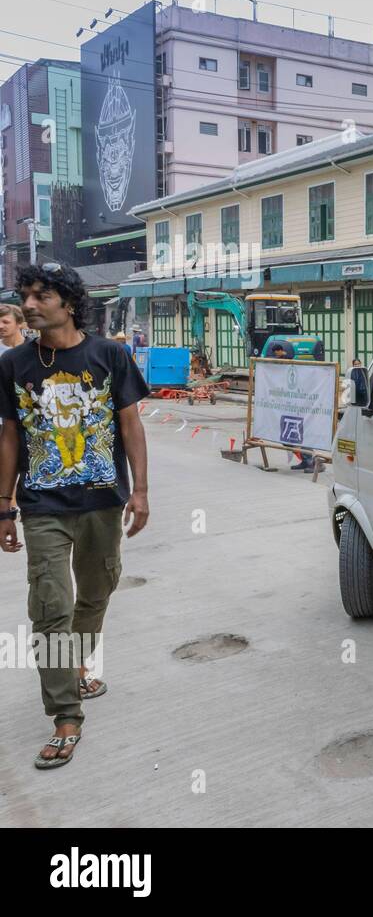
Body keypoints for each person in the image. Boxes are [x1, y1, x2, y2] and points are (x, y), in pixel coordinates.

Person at [0, 263, 150, 770]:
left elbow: (130, 424)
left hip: (102, 500)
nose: (30, 304)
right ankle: (65, 716)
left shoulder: (110, 354)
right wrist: (4, 506)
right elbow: (8, 436)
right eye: (26, 295)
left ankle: (77, 659)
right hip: (42, 504)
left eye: (41, 295)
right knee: (49, 607)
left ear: (68, 302)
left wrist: (141, 490)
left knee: (98, 590)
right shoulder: (14, 364)